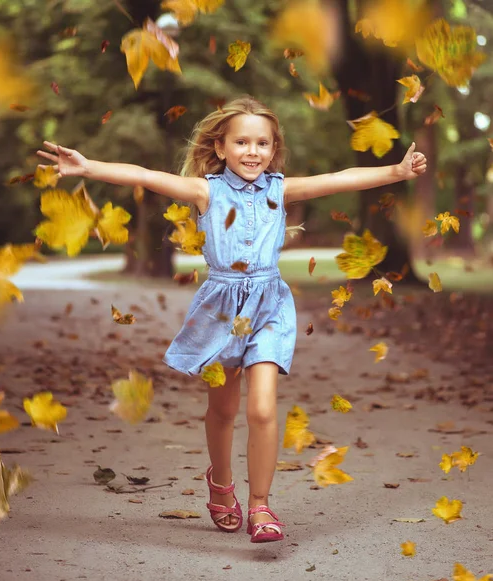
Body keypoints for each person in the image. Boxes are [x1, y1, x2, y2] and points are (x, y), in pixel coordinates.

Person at [37, 96, 427, 543]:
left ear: (273, 149)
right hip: (221, 310)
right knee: (222, 410)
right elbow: (147, 176)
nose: (252, 151)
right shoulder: (207, 190)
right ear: (220, 147)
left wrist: (395, 173)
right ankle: (221, 483)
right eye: (241, 141)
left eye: (262, 143)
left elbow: (339, 179)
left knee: (261, 408)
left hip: (269, 306)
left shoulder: (279, 189)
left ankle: (260, 506)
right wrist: (89, 168)